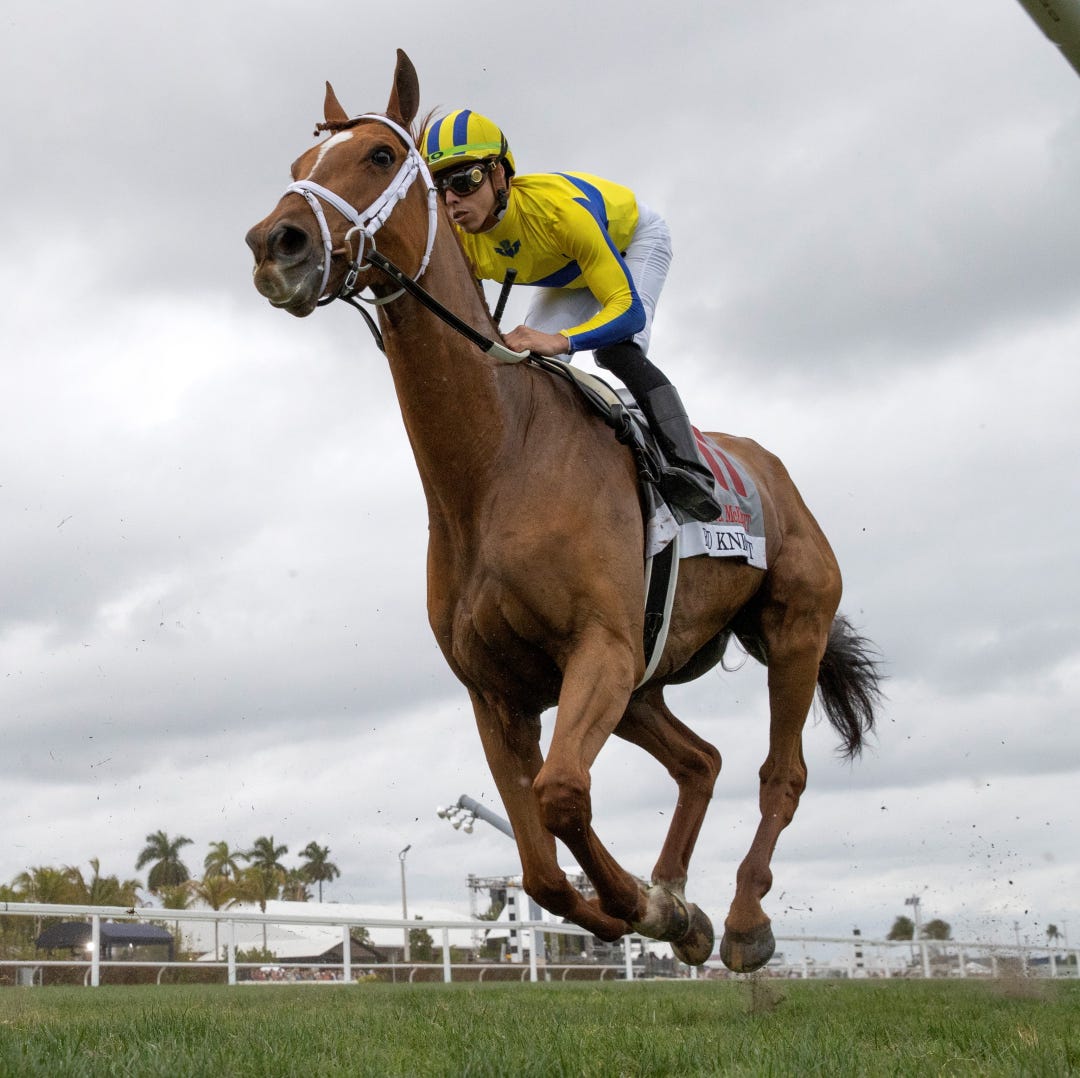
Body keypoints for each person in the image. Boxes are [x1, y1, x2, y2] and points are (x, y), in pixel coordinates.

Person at [422, 109, 723, 523]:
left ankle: (691, 471)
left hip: (631, 242)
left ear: (499, 176)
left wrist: (562, 340)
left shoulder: (559, 214)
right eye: (441, 188)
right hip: (568, 270)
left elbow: (629, 311)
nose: (452, 199)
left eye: (464, 180)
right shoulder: (459, 240)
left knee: (616, 349)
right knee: (533, 368)